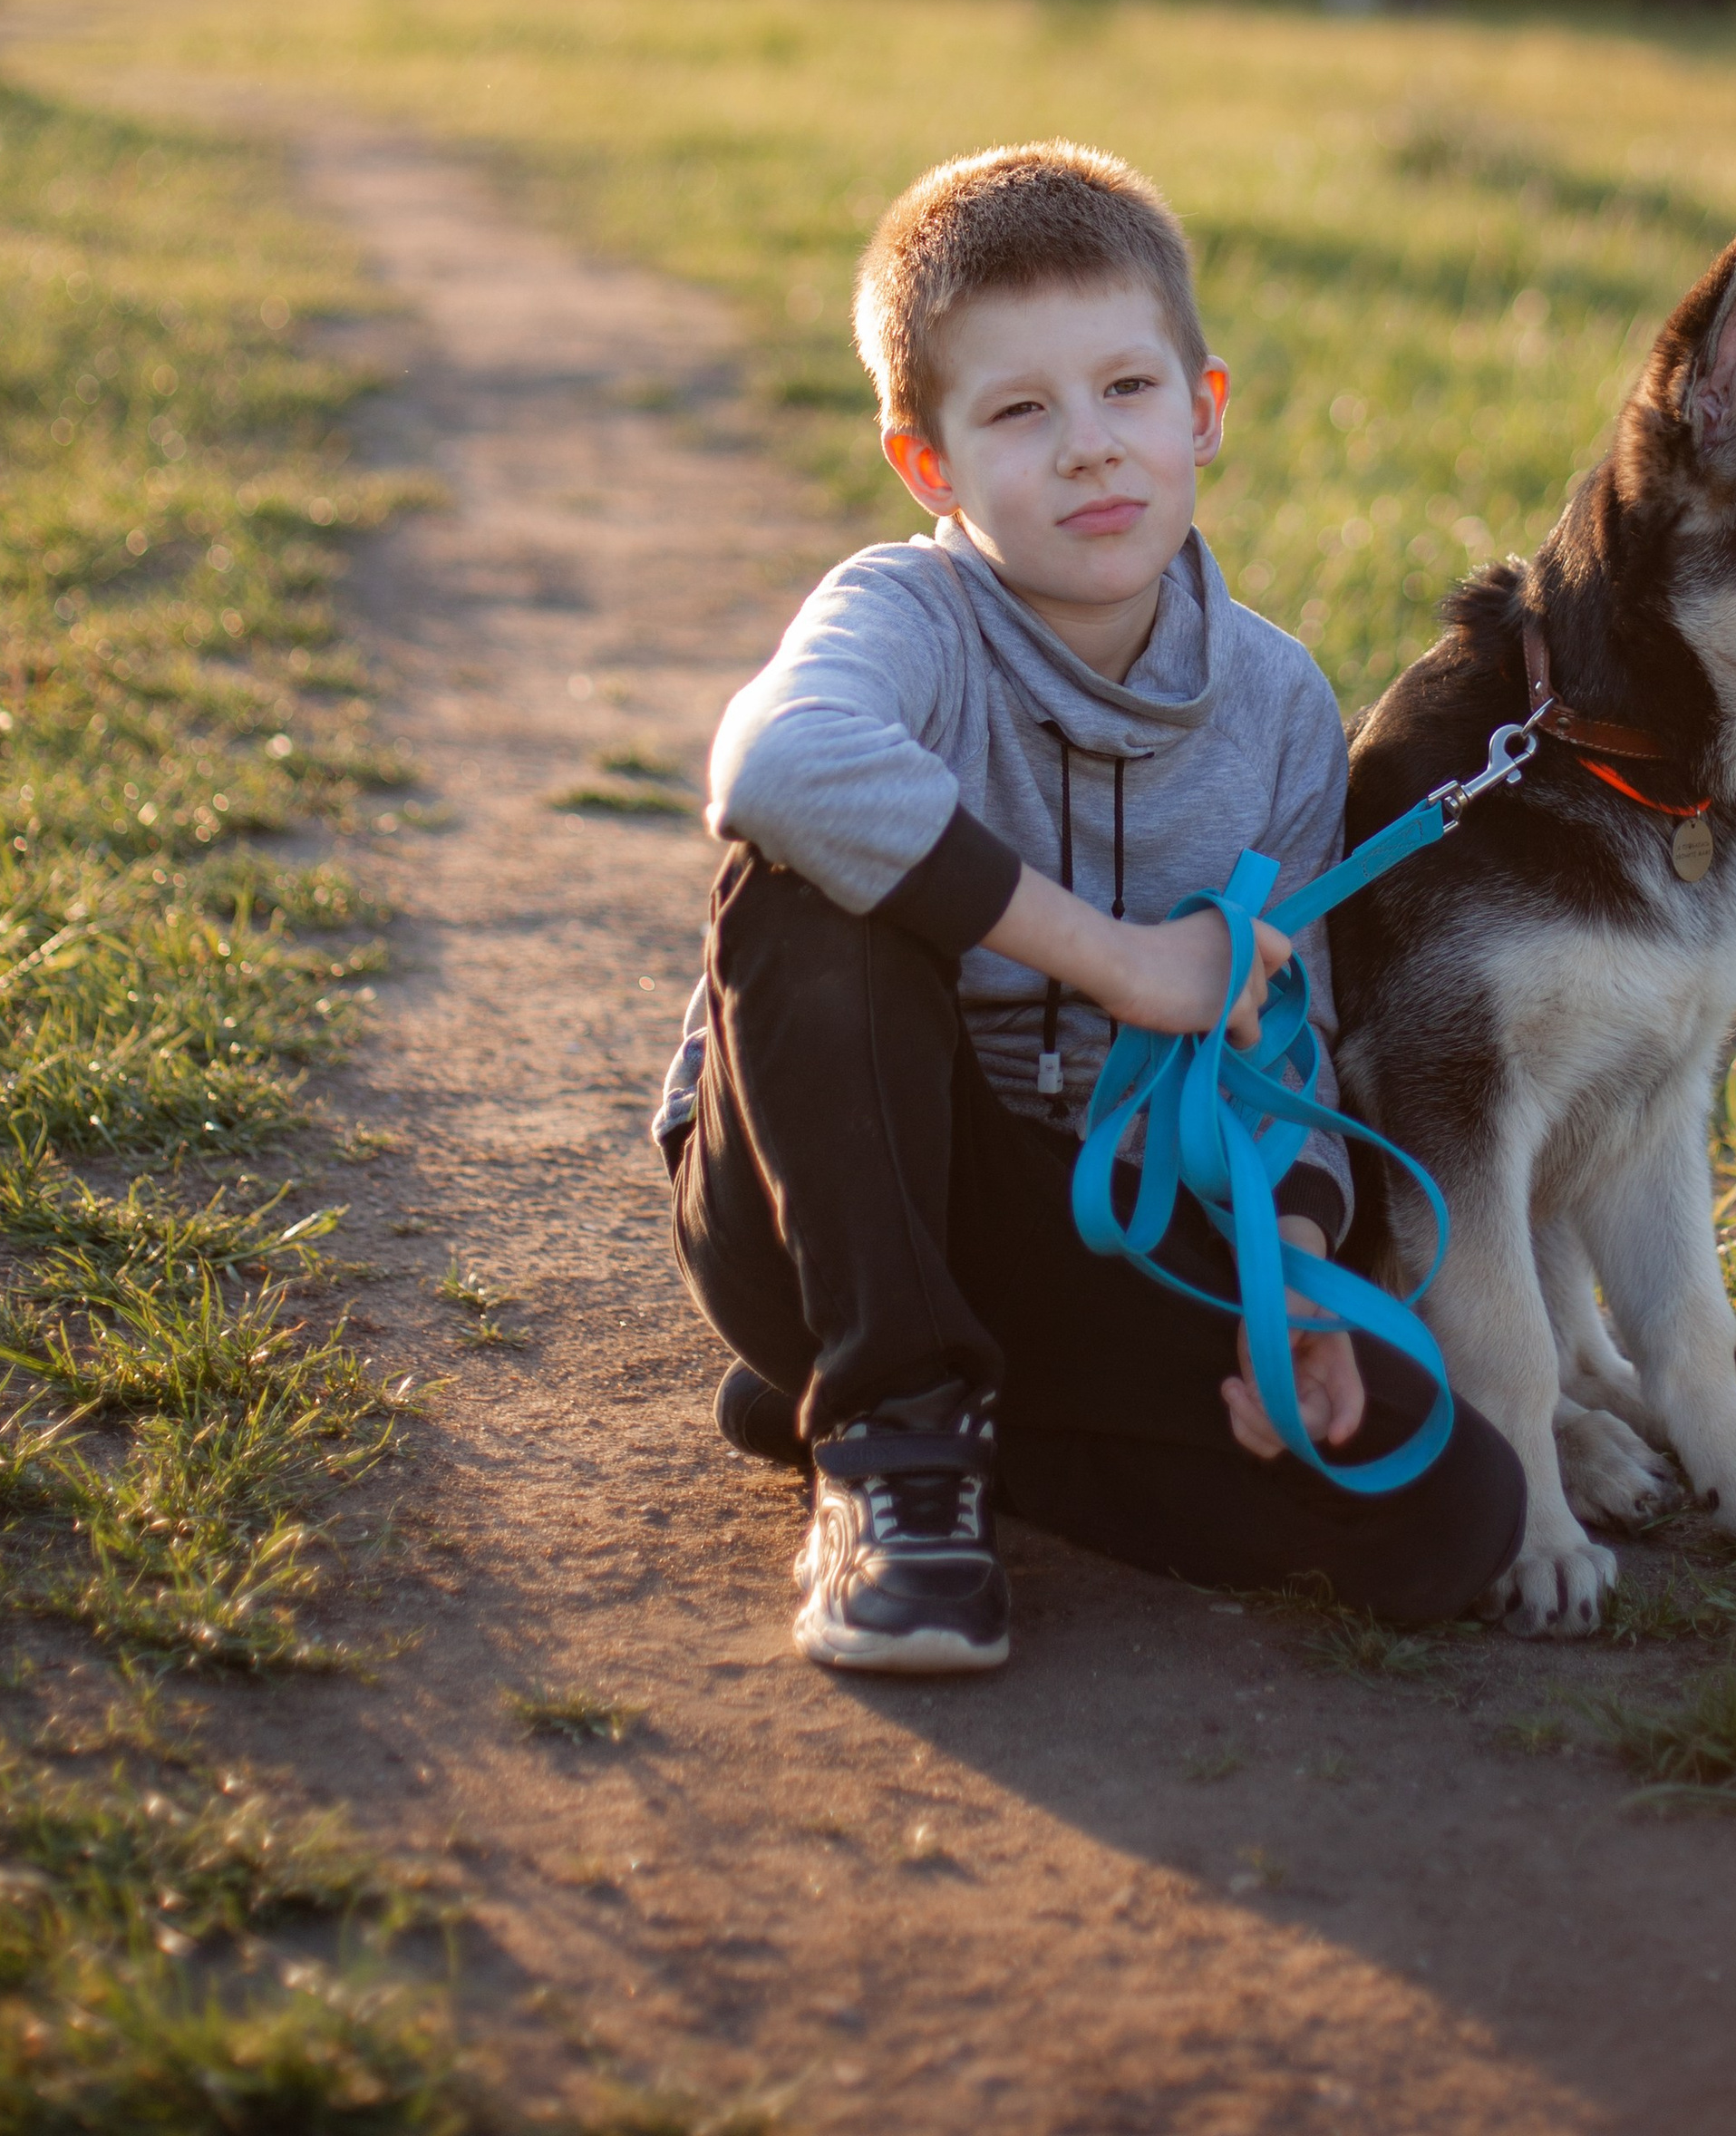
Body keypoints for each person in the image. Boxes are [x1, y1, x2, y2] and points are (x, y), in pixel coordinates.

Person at [654, 141, 1525, 1675]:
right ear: (929, 465)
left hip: (1094, 1234)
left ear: (1204, 414)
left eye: (1128, 392)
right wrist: (1122, 962)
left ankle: (903, 1406)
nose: (1087, 452)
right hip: (825, 1206)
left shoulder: (1275, 702)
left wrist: (1300, 1279)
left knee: (1447, 1507)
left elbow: (1288, 1038)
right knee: (810, 895)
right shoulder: (900, 614)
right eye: (1018, 411)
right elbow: (773, 762)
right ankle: (893, 1441)